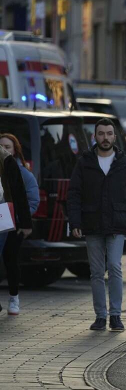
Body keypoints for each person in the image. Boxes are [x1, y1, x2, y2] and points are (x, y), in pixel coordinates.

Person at [67, 118, 126, 332]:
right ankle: (100, 316)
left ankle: (116, 315)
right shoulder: (85, 162)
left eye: (109, 134)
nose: (105, 138)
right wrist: (74, 221)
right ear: (95, 137)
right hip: (91, 223)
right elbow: (74, 194)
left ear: (114, 136)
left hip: (116, 224)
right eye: (101, 134)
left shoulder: (124, 162)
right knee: (95, 271)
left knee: (114, 267)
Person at [0, 134, 39, 315]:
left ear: (15, 149)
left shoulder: (22, 172)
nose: (4, 149)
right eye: (1, 146)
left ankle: (14, 297)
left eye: (7, 146)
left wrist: (23, 221)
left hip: (12, 224)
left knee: (10, 259)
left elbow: (28, 199)